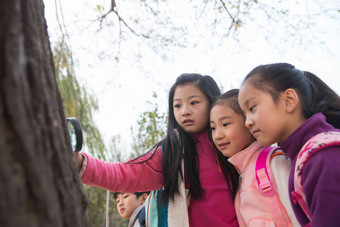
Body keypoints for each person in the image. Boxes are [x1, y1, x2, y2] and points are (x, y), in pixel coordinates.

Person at [74, 73, 240, 226]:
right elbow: (124, 174)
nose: (185, 111)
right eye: (177, 105)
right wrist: (81, 164)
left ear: (212, 102)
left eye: (194, 103)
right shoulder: (172, 152)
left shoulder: (235, 140)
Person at [238, 63, 340, 226]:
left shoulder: (322, 158)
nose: (247, 122)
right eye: (244, 114)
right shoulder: (304, 156)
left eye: (252, 108)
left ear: (289, 100)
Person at [210, 89, 299, 226]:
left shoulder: (274, 162)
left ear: (249, 122)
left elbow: (298, 215)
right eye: (213, 128)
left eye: (225, 124)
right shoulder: (242, 175)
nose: (217, 135)